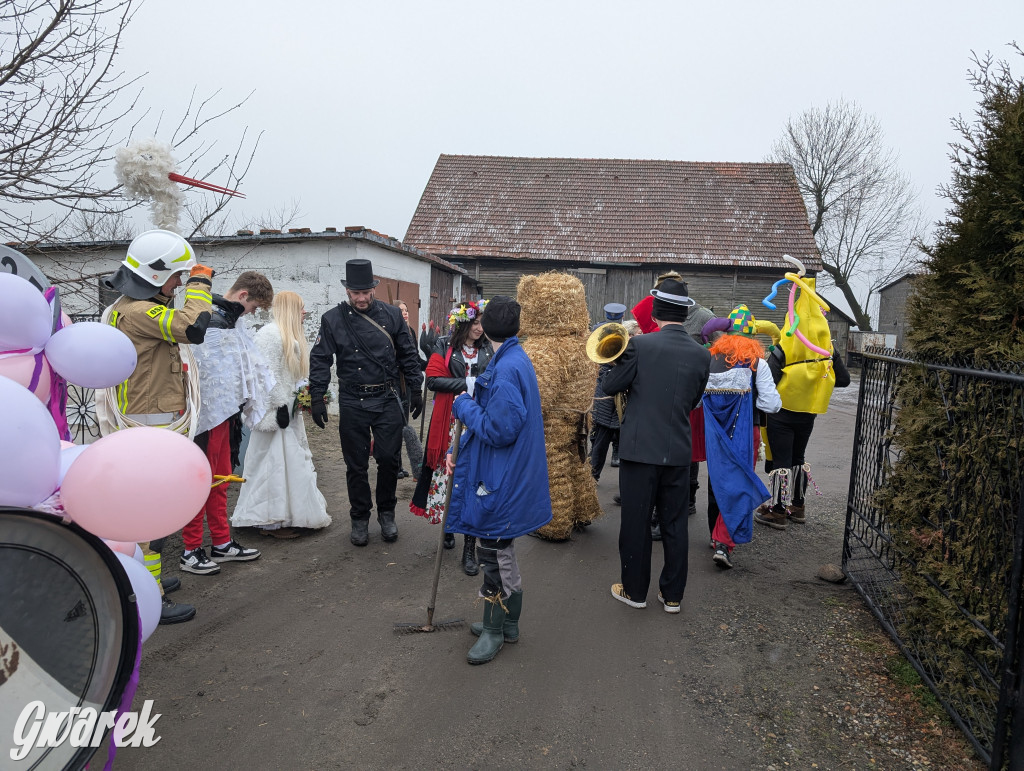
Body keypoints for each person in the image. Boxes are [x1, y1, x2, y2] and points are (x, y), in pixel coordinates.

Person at [99, 229, 215, 625]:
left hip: (151, 421)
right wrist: (201, 280)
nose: (180, 283)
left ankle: (149, 580)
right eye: (176, 276)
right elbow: (193, 326)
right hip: (152, 426)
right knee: (152, 515)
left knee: (155, 512)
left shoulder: (128, 307)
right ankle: (151, 597)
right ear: (153, 276)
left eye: (185, 277)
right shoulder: (139, 312)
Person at [444, 296, 552, 664]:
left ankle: (494, 629)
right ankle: (507, 623)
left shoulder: (507, 368)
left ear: (485, 328)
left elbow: (500, 428)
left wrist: (464, 406)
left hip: (504, 474)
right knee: (501, 549)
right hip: (510, 470)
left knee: (492, 549)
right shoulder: (513, 358)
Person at [604, 278, 710, 613]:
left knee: (635, 523)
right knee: (675, 525)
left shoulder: (640, 346)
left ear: (658, 311)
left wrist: (619, 360)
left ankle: (635, 592)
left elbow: (610, 385)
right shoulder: (701, 355)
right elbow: (694, 401)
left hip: (638, 451)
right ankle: (672, 595)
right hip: (678, 452)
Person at [308, 258, 424, 546]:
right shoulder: (333, 319)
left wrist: (416, 387)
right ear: (348, 291)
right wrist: (317, 396)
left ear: (374, 288)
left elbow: (408, 355)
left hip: (386, 398)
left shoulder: (392, 316)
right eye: (355, 293)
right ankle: (359, 517)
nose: (361, 298)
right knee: (356, 464)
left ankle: (386, 513)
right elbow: (321, 359)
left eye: (366, 293)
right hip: (353, 400)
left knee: (388, 459)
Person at [182, 271, 274, 575]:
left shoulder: (232, 322)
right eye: (255, 307)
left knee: (220, 477)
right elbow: (203, 372)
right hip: (206, 417)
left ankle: (220, 541)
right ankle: (190, 548)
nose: (254, 313)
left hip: (227, 415)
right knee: (200, 480)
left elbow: (243, 367)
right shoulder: (210, 320)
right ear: (244, 296)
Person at [232, 291, 332, 536]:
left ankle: (287, 515)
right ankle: (271, 520)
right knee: (273, 464)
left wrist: (303, 395)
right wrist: (278, 406)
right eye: (300, 308)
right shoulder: (270, 335)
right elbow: (266, 375)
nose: (304, 312)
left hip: (288, 410)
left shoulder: (285, 335)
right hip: (276, 412)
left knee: (289, 461)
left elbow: (292, 375)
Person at [754, 279, 851, 530]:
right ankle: (797, 505)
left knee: (781, 461)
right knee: (798, 457)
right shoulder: (827, 350)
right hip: (808, 413)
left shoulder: (785, 349)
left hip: (781, 414)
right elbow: (843, 380)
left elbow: (769, 382)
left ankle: (777, 510)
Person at [409, 300, 493, 575]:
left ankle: (469, 548)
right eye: (475, 323)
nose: (480, 329)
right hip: (448, 422)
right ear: (463, 322)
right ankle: (448, 526)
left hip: (475, 422)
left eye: (482, 323)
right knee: (447, 478)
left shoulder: (488, 349)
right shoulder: (444, 345)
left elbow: (492, 380)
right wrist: (469, 383)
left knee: (471, 479)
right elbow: (432, 379)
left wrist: (476, 386)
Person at [700, 307, 781, 569]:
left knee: (718, 479)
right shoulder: (759, 363)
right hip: (746, 432)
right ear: (752, 337)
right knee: (739, 481)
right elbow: (770, 405)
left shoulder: (707, 359)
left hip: (712, 430)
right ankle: (724, 542)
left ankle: (715, 534)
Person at [631, 271, 715, 520]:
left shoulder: (703, 316)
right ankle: (653, 499)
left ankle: (687, 497)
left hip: (688, 390)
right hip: (658, 385)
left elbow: (715, 346)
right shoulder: (652, 308)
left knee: (688, 446)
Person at [396, 300, 425, 481]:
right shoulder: (391, 330)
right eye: (401, 311)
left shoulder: (411, 331)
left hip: (407, 383)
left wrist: (429, 363)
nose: (405, 313)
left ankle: (401, 463)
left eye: (406, 310)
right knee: (395, 423)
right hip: (394, 382)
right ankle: (396, 463)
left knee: (404, 422)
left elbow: (413, 357)